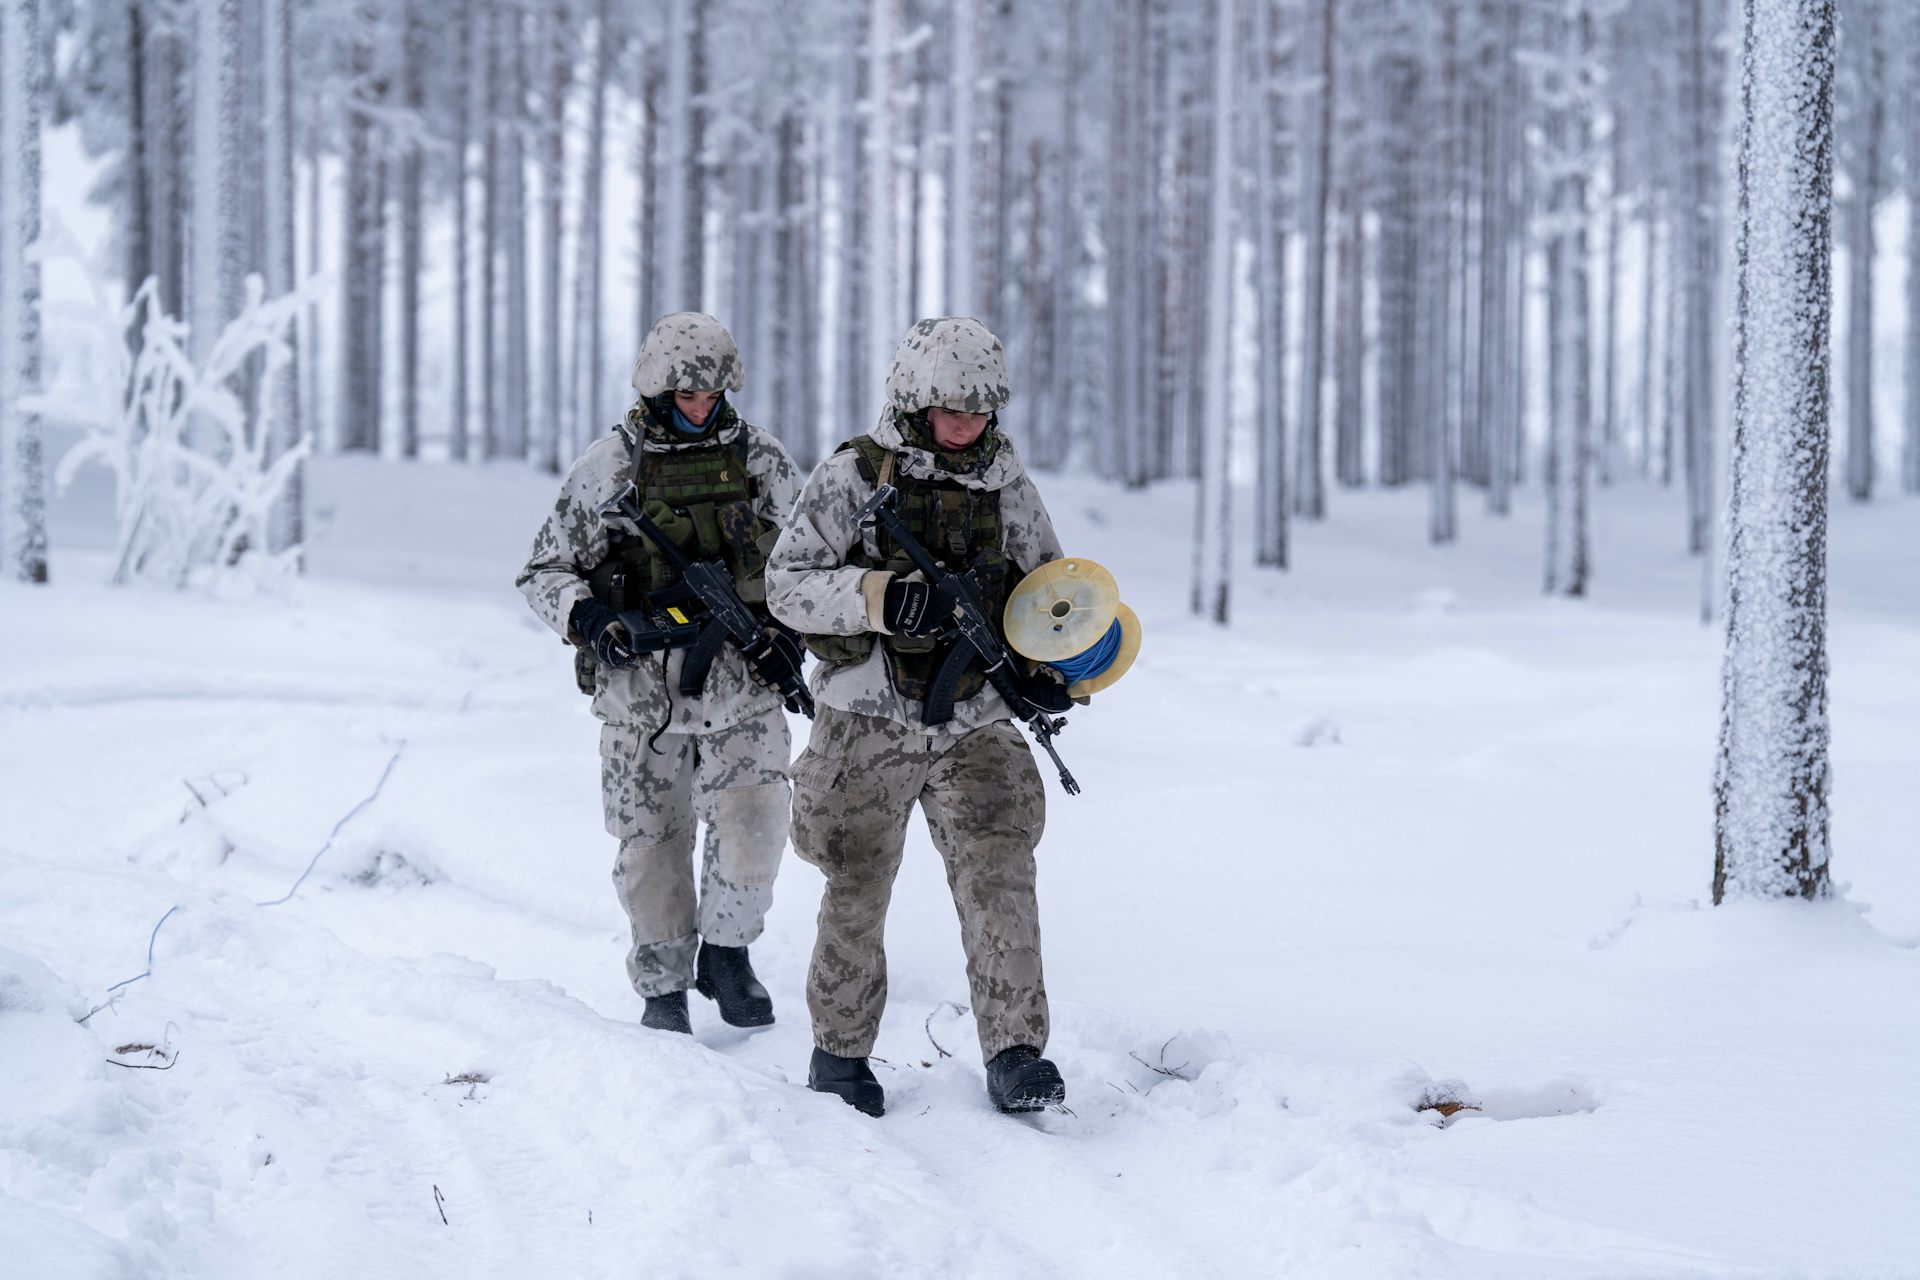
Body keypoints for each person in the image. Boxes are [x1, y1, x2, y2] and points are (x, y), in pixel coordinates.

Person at [767, 316, 1079, 1116]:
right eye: (951, 408)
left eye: (980, 409)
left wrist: (1054, 673)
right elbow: (786, 584)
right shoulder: (853, 475)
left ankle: (1016, 1053)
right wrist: (876, 598)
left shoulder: (1006, 484)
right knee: (856, 882)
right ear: (914, 402)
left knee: (1001, 871)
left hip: (976, 713)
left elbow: (1049, 591)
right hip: (867, 716)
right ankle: (840, 1056)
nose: (967, 423)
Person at [517, 312, 804, 1035]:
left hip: (742, 685)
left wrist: (789, 638)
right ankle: (663, 987)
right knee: (652, 846)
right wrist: (588, 619)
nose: (700, 407)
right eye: (685, 396)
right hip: (641, 695)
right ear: (655, 389)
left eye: (711, 395)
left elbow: (809, 564)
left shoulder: (759, 460)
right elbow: (543, 570)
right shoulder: (610, 465)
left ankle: (728, 954)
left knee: (757, 822)